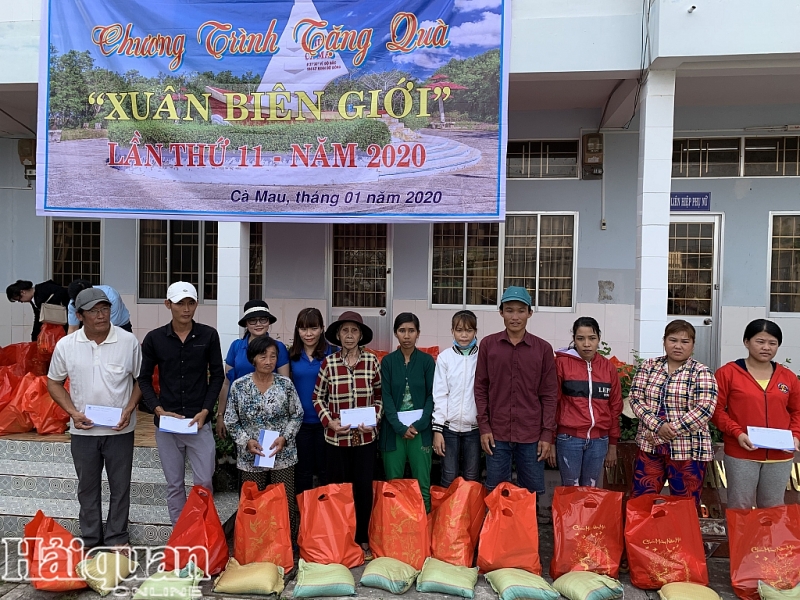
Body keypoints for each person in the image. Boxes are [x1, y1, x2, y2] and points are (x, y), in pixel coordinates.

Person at [46, 288, 142, 551]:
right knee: (87, 487)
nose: (101, 315)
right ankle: (90, 539)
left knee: (120, 487)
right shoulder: (67, 345)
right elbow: (53, 383)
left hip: (120, 430)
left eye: (105, 309)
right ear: (79, 315)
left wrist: (130, 408)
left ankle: (117, 538)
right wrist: (72, 413)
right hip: (83, 430)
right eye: (94, 311)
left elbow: (140, 380)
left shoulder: (127, 341)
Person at [138, 281, 225, 525]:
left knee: (204, 482)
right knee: (174, 484)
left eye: (190, 303)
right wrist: (157, 409)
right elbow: (143, 378)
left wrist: (206, 410)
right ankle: (180, 533)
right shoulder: (155, 338)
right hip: (167, 423)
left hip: (199, 421)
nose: (186, 309)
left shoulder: (208, 335)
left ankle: (203, 530)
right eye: (180, 304)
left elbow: (217, 374)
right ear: (168, 305)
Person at [474, 286, 558, 496]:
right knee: (496, 493)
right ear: (501, 312)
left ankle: (528, 530)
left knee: (531, 493)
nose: (515, 316)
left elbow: (549, 395)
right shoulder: (488, 345)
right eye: (509, 310)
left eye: (521, 310)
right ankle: (498, 530)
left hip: (531, 434)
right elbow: (481, 388)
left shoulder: (543, 349)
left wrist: (547, 434)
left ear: (530, 313)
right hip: (497, 433)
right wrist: (484, 427)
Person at [312, 311, 382, 559]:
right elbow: (317, 397)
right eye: (345, 331)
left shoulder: (372, 362)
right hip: (336, 439)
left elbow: (379, 396)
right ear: (338, 335)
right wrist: (329, 422)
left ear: (361, 335)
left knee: (363, 489)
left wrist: (373, 420)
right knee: (337, 489)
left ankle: (362, 537)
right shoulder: (328, 364)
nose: (349, 335)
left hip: (364, 439)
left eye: (354, 331)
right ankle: (339, 536)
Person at [712, 319, 800, 509]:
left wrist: (795, 436)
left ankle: (769, 541)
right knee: (739, 507)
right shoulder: (728, 373)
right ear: (746, 342)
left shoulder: (788, 377)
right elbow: (716, 410)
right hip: (742, 452)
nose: (766, 347)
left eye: (772, 343)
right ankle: (740, 541)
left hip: (780, 455)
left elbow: (797, 411)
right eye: (760, 341)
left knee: (773, 507)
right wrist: (737, 433)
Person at [629, 319, 718, 507]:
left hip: (688, 450)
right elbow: (636, 399)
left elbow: (704, 409)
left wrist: (668, 430)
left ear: (693, 345)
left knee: (684, 505)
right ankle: (640, 537)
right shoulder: (648, 366)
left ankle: (681, 538)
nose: (678, 346)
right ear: (664, 341)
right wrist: (658, 426)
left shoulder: (701, 372)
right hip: (649, 447)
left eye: (685, 342)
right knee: (641, 501)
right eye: (673, 340)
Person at [225, 335, 303, 540]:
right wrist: (245, 441)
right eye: (263, 356)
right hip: (251, 456)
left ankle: (286, 546)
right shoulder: (239, 386)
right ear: (253, 359)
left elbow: (297, 414)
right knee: (253, 503)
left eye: (273, 356)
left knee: (284, 502)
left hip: (282, 454)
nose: (269, 361)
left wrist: (285, 437)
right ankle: (254, 544)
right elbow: (231, 420)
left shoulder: (285, 385)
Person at [547, 316, 622, 487]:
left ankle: (588, 516)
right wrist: (550, 441)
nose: (586, 344)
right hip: (569, 439)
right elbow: (553, 405)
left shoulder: (608, 367)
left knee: (591, 491)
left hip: (599, 441)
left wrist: (612, 445)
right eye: (581, 339)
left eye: (592, 338)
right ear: (574, 339)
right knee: (571, 489)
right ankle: (569, 516)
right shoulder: (561, 364)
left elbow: (615, 408)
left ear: (599, 339)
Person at [380, 313, 435, 511]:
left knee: (423, 485)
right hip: (393, 431)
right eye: (402, 330)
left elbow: (432, 396)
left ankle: (425, 529)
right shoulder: (387, 362)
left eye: (411, 331)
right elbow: (385, 397)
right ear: (396, 333)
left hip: (420, 430)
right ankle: (396, 532)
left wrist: (419, 425)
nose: (406, 335)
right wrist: (399, 427)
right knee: (393, 485)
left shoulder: (427, 361)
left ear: (418, 333)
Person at [216, 300, 290, 440]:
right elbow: (227, 383)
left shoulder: (278, 347)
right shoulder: (236, 346)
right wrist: (221, 415)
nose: (258, 324)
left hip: (272, 418)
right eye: (252, 320)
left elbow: (286, 386)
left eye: (263, 319)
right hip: (240, 418)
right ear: (246, 324)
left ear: (269, 322)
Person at [289, 307, 336, 497]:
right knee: (303, 473)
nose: (308, 334)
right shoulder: (290, 355)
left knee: (327, 472)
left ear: (322, 328)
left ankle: (327, 515)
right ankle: (305, 515)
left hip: (327, 423)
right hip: (301, 424)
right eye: (303, 329)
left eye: (313, 328)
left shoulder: (333, 353)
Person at [432, 310, 481, 489]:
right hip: (449, 429)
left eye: (469, 330)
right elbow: (440, 394)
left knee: (472, 477)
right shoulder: (445, 358)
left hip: (474, 429)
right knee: (448, 477)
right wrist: (438, 430)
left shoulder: (482, 357)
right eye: (459, 330)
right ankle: (448, 517)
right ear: (452, 331)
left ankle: (469, 516)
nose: (464, 335)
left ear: (475, 331)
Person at [67, 279, 132, 333]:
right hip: (90, 327)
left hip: (119, 325)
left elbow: (108, 327)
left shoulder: (111, 296)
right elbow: (73, 329)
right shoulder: (73, 303)